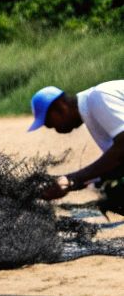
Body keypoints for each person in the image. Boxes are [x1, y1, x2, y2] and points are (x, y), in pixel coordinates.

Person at [30, 80, 124, 210]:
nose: (54, 129)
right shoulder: (91, 110)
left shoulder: (98, 98)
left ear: (60, 107)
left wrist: (72, 179)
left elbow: (122, 149)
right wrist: (71, 182)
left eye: (50, 123)